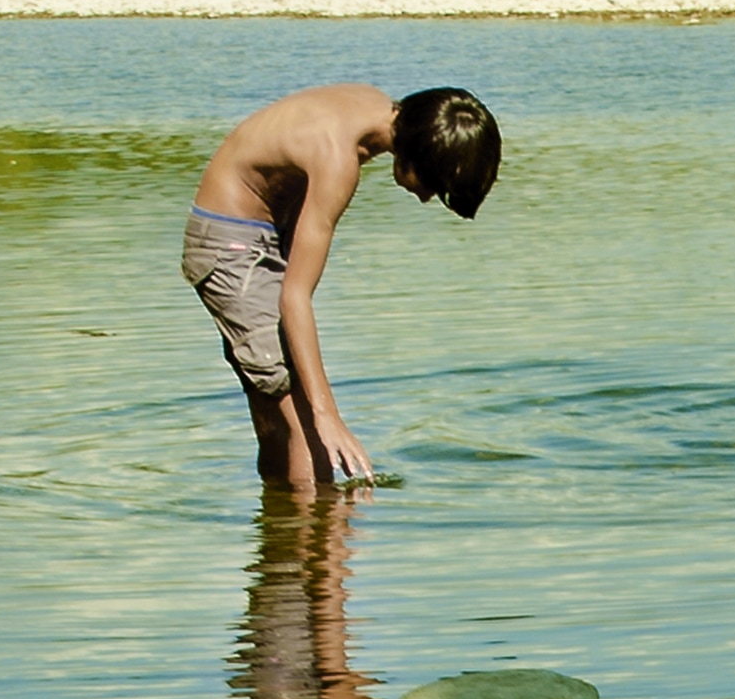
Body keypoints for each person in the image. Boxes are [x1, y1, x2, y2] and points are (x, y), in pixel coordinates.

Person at [183, 84, 500, 486]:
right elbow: (294, 298)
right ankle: (326, 543)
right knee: (307, 426)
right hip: (232, 246)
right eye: (431, 185)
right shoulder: (338, 160)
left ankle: (284, 537)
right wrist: (328, 415)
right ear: (415, 152)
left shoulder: (372, 105)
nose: (424, 198)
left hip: (254, 232)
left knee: (277, 416)